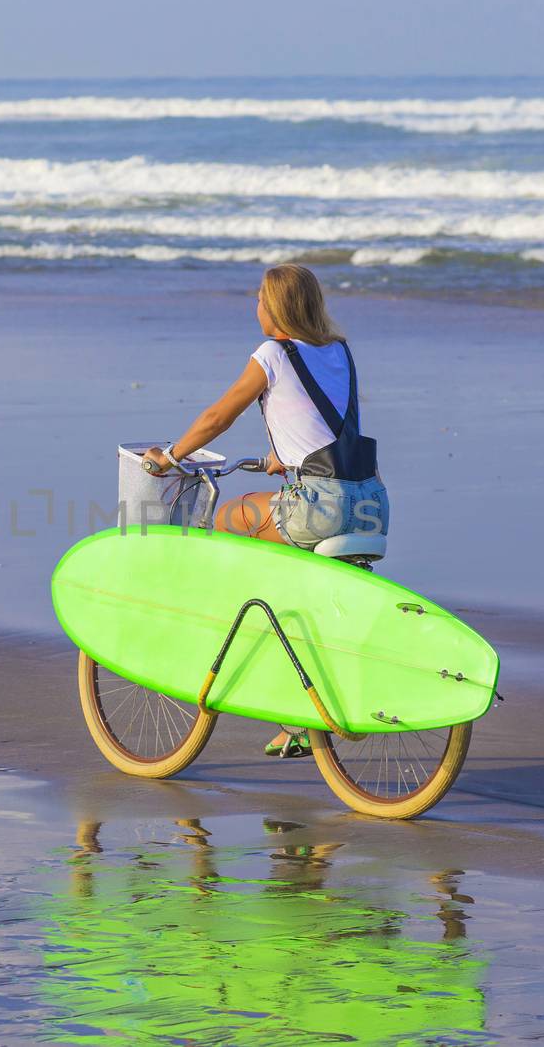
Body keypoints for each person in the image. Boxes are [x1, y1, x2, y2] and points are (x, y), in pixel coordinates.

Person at [144, 264, 389, 758]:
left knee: (227, 519)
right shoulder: (339, 351)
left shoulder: (272, 354)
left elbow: (220, 415)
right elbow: (323, 423)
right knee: (296, 583)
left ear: (274, 309)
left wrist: (171, 456)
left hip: (318, 506)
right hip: (370, 501)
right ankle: (299, 697)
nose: (253, 305)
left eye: (258, 297)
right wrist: (288, 459)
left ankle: (251, 635)